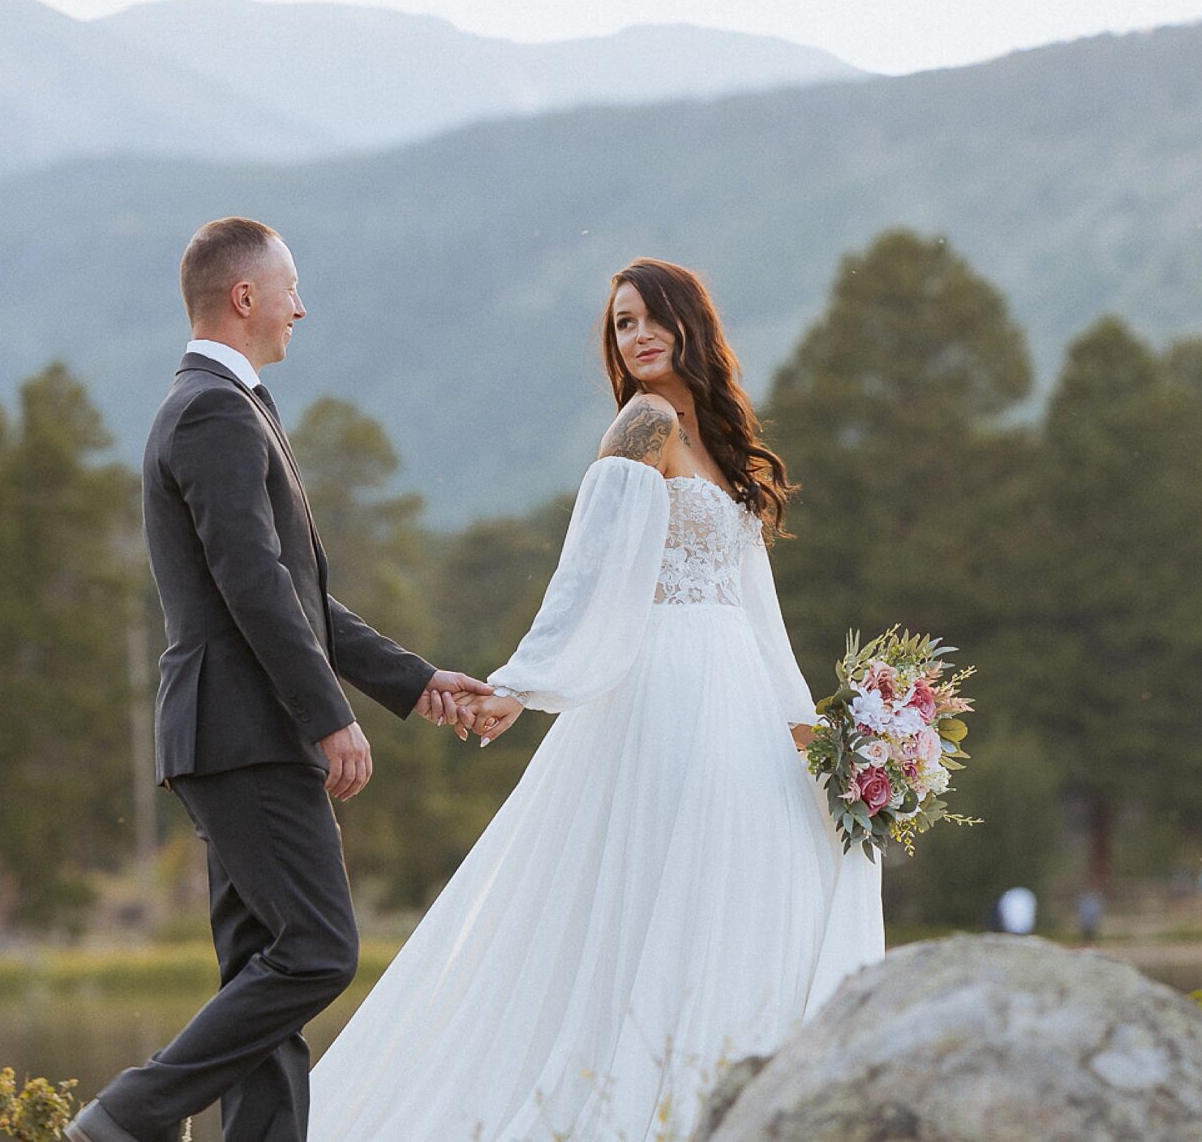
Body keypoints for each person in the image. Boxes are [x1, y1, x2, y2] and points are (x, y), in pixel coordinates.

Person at [308, 257, 884, 1142]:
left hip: (741, 700)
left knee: (768, 881)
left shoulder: (723, 447)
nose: (639, 336)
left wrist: (825, 741)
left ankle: (726, 1101)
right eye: (623, 324)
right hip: (666, 695)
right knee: (667, 894)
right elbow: (589, 575)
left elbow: (759, 614)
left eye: (653, 318)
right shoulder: (644, 424)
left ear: (693, 325)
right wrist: (524, 686)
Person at [70, 218, 495, 1142]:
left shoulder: (225, 404)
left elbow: (297, 596)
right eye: (291, 287)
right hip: (246, 731)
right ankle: (122, 1120)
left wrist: (415, 681)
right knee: (317, 952)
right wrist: (328, 716)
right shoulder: (215, 410)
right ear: (245, 297)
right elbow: (252, 585)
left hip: (228, 733)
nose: (303, 306)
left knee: (264, 973)